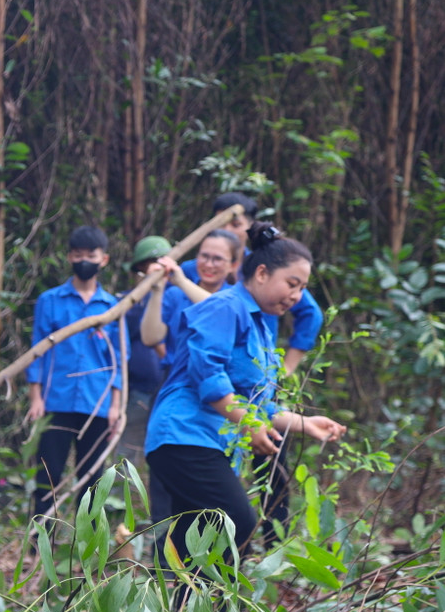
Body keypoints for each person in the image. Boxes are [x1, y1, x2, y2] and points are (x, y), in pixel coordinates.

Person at [144, 222, 346, 589]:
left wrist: (305, 423)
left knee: (197, 542)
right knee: (234, 522)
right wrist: (249, 424)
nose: (297, 296)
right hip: (184, 437)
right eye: (292, 284)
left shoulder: (262, 326)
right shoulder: (224, 307)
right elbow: (210, 378)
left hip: (211, 443)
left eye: (302, 288)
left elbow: (258, 403)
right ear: (262, 272)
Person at [25, 226, 126, 522]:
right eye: (78, 255)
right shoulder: (50, 301)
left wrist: (116, 405)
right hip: (55, 400)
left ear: (103, 259)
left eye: (91, 255)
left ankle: (87, 550)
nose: (85, 260)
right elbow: (37, 352)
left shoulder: (113, 307)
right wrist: (35, 397)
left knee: (92, 480)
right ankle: (38, 544)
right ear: (69, 257)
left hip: (97, 402)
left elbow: (119, 359)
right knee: (47, 475)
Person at [182, 192, 324, 374]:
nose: (227, 230)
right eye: (220, 223)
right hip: (203, 364)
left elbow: (310, 313)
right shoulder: (191, 270)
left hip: (257, 369)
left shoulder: (274, 267)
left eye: (235, 224)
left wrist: (286, 369)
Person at [142, 230, 239, 367]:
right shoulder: (175, 295)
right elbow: (150, 339)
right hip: (176, 382)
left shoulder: (236, 297)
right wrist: (157, 290)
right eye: (204, 256)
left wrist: (182, 282)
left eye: (217, 259)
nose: (209, 264)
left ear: (233, 265)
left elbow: (221, 311)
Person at [115, 236, 172, 467]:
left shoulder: (177, 298)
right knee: (126, 451)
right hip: (136, 391)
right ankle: (117, 499)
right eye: (150, 262)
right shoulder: (127, 302)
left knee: (164, 451)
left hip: (167, 388)